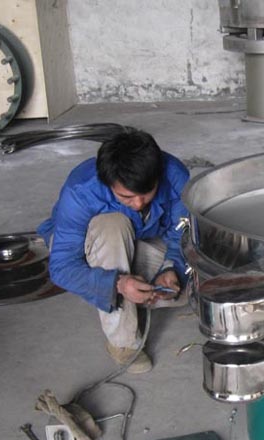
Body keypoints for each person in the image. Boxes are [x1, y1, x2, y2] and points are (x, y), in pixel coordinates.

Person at [38, 130, 190, 373]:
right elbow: (62, 267)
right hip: (92, 246)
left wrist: (171, 267)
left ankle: (135, 291)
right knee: (112, 226)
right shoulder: (80, 191)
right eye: (126, 196)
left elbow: (182, 232)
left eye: (146, 193)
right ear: (108, 184)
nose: (138, 203)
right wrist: (117, 284)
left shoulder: (175, 176)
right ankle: (123, 342)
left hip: (141, 240)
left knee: (190, 288)